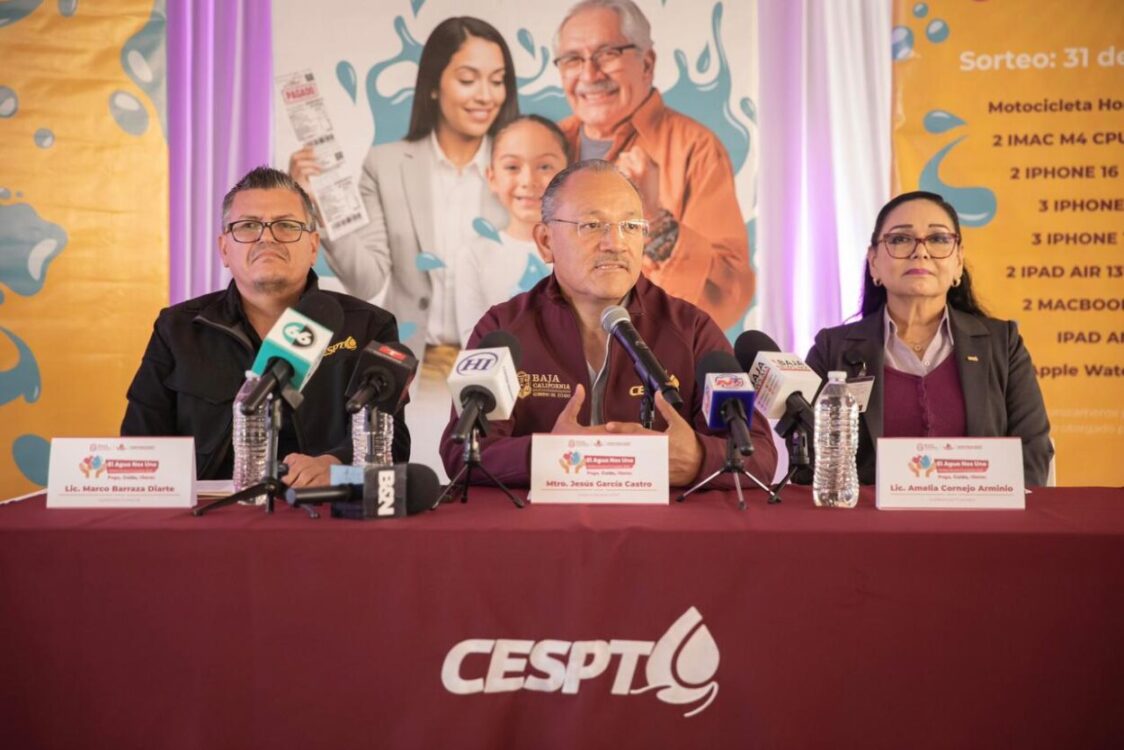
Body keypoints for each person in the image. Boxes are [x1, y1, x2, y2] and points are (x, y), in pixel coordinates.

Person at [439, 160, 777, 488]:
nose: (615, 243)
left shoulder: (691, 330)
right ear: (545, 241)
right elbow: (461, 451)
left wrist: (699, 458)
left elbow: (759, 453)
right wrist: (547, 455)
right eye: (591, 225)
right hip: (542, 522)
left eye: (630, 226)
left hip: (661, 523)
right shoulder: (504, 328)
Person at [121, 167, 410, 486]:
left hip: (325, 506)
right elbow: (140, 445)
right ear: (224, 249)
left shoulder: (369, 326)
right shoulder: (178, 329)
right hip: (210, 509)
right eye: (248, 226)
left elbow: (392, 444)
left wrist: (336, 465)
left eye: (286, 225)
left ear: (313, 246)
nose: (267, 237)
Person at [289, 16, 518, 359]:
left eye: (497, 81)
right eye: (468, 80)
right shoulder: (386, 164)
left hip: (501, 362)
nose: (486, 96)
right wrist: (320, 209)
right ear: (433, 84)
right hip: (411, 365)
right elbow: (365, 282)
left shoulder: (521, 167)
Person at [805, 190, 1053, 486]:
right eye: (900, 239)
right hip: (869, 515)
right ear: (874, 263)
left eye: (938, 239)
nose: (920, 252)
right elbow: (810, 463)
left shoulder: (1003, 344)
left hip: (980, 513)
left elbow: (1032, 453)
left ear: (958, 262)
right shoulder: (831, 350)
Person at [552, 0, 753, 330]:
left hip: (649, 350)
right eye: (573, 59)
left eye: (607, 54)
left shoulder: (695, 148)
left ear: (647, 63)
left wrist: (656, 222)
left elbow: (731, 290)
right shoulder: (548, 146)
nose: (589, 74)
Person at [454, 114, 570, 342]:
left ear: (568, 175)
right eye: (512, 167)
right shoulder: (474, 256)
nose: (528, 180)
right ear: (491, 177)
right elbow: (475, 343)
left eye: (545, 166)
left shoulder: (584, 250)